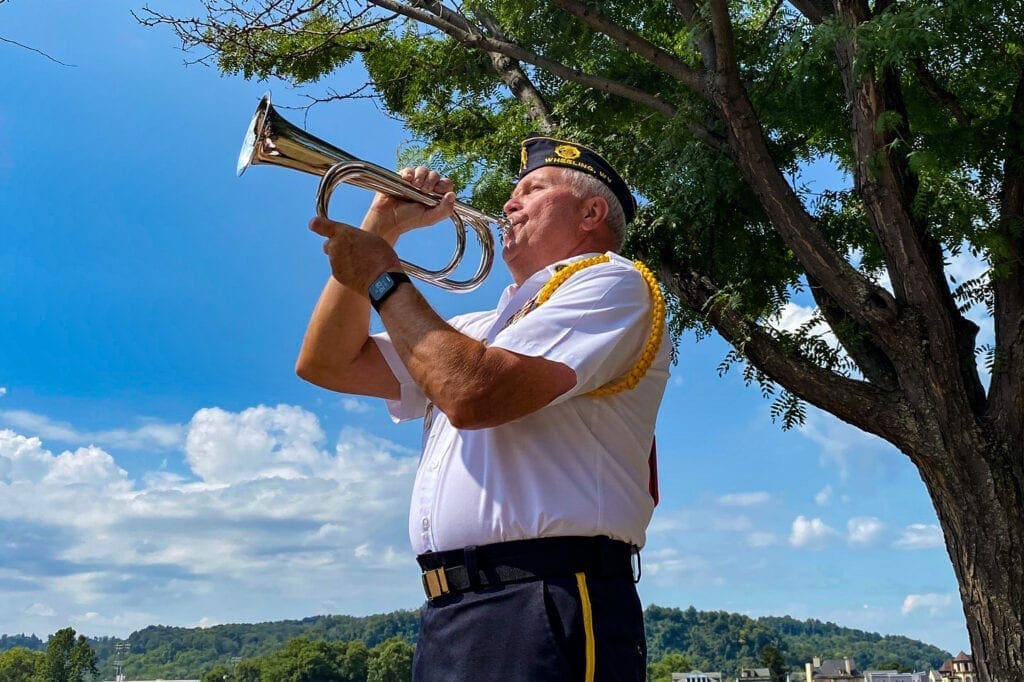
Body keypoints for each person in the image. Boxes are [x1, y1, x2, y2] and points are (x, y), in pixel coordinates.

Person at [296, 135, 671, 681]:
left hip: (547, 595)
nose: (507, 206)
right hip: (452, 609)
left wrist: (383, 276)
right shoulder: (473, 329)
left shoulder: (613, 281)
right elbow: (326, 364)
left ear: (592, 213)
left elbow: (473, 393)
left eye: (533, 190)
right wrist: (380, 228)